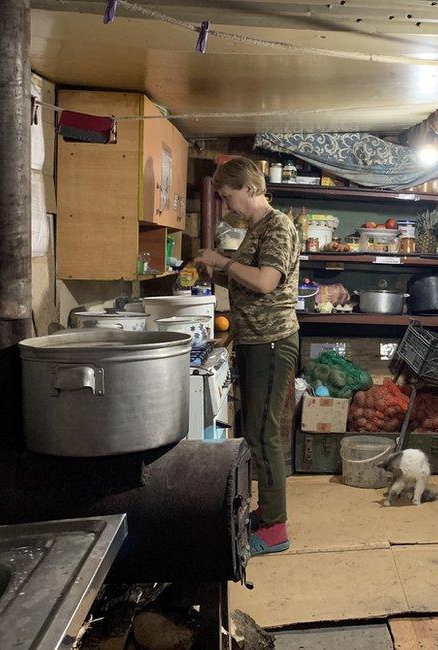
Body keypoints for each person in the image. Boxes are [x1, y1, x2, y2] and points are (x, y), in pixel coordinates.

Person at [195, 157, 299, 556]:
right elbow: (250, 277)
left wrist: (223, 261)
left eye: (228, 195)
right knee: (255, 431)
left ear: (250, 188)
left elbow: (266, 281)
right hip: (255, 340)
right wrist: (217, 271)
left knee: (263, 432)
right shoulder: (257, 227)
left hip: (271, 342)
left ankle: (276, 529)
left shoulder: (277, 226)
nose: (226, 205)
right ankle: (268, 512)